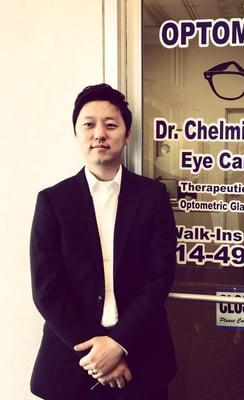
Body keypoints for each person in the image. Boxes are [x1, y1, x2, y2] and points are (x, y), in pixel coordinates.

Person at [30, 84, 177, 400]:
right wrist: (98, 354)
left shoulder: (152, 196)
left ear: (127, 134)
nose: (99, 134)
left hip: (142, 353)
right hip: (72, 359)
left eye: (111, 125)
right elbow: (47, 289)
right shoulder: (53, 201)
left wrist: (118, 343)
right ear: (76, 133)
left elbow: (160, 276)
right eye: (89, 124)